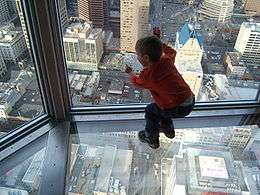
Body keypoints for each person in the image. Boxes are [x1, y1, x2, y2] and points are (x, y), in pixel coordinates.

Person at [125, 27, 195, 149]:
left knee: (151, 111)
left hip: (176, 108)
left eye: (138, 55)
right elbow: (172, 51)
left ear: (146, 58)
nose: (137, 58)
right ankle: (168, 130)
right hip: (190, 100)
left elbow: (137, 83)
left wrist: (130, 73)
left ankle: (151, 138)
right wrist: (157, 41)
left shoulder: (148, 75)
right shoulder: (167, 60)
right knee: (162, 108)